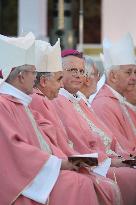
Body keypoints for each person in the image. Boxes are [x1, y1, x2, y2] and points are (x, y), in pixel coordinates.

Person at [0, 34, 105, 205]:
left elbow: (49, 143)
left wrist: (70, 161)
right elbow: (17, 151)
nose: (35, 78)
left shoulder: (21, 103)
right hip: (24, 183)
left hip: (44, 169)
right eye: (33, 72)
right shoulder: (5, 104)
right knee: (80, 183)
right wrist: (63, 163)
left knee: (85, 177)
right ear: (20, 76)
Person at [30, 40, 123, 205]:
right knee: (84, 183)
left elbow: (62, 147)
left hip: (63, 163)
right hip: (42, 172)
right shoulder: (41, 101)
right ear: (43, 81)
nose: (61, 85)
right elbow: (59, 149)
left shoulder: (44, 99)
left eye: (83, 71)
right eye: (60, 78)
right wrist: (87, 162)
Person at [52, 49, 136, 205]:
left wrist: (124, 157)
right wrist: (111, 161)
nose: (79, 75)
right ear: (59, 72)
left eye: (81, 71)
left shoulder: (80, 101)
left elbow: (108, 139)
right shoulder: (58, 101)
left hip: (104, 161)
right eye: (72, 70)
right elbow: (75, 147)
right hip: (89, 165)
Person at [92, 33, 136, 155]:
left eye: (135, 72)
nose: (134, 77)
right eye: (129, 72)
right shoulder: (103, 104)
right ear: (113, 76)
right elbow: (120, 149)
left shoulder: (118, 100)